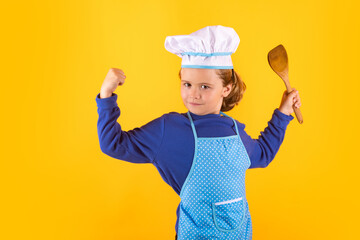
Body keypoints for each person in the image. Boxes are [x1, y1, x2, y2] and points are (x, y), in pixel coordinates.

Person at [95, 25, 301, 240]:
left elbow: (263, 154)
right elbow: (113, 144)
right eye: (187, 84)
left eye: (204, 86)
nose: (192, 94)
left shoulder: (235, 131)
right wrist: (106, 95)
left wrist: (283, 112)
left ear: (226, 89)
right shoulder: (169, 130)